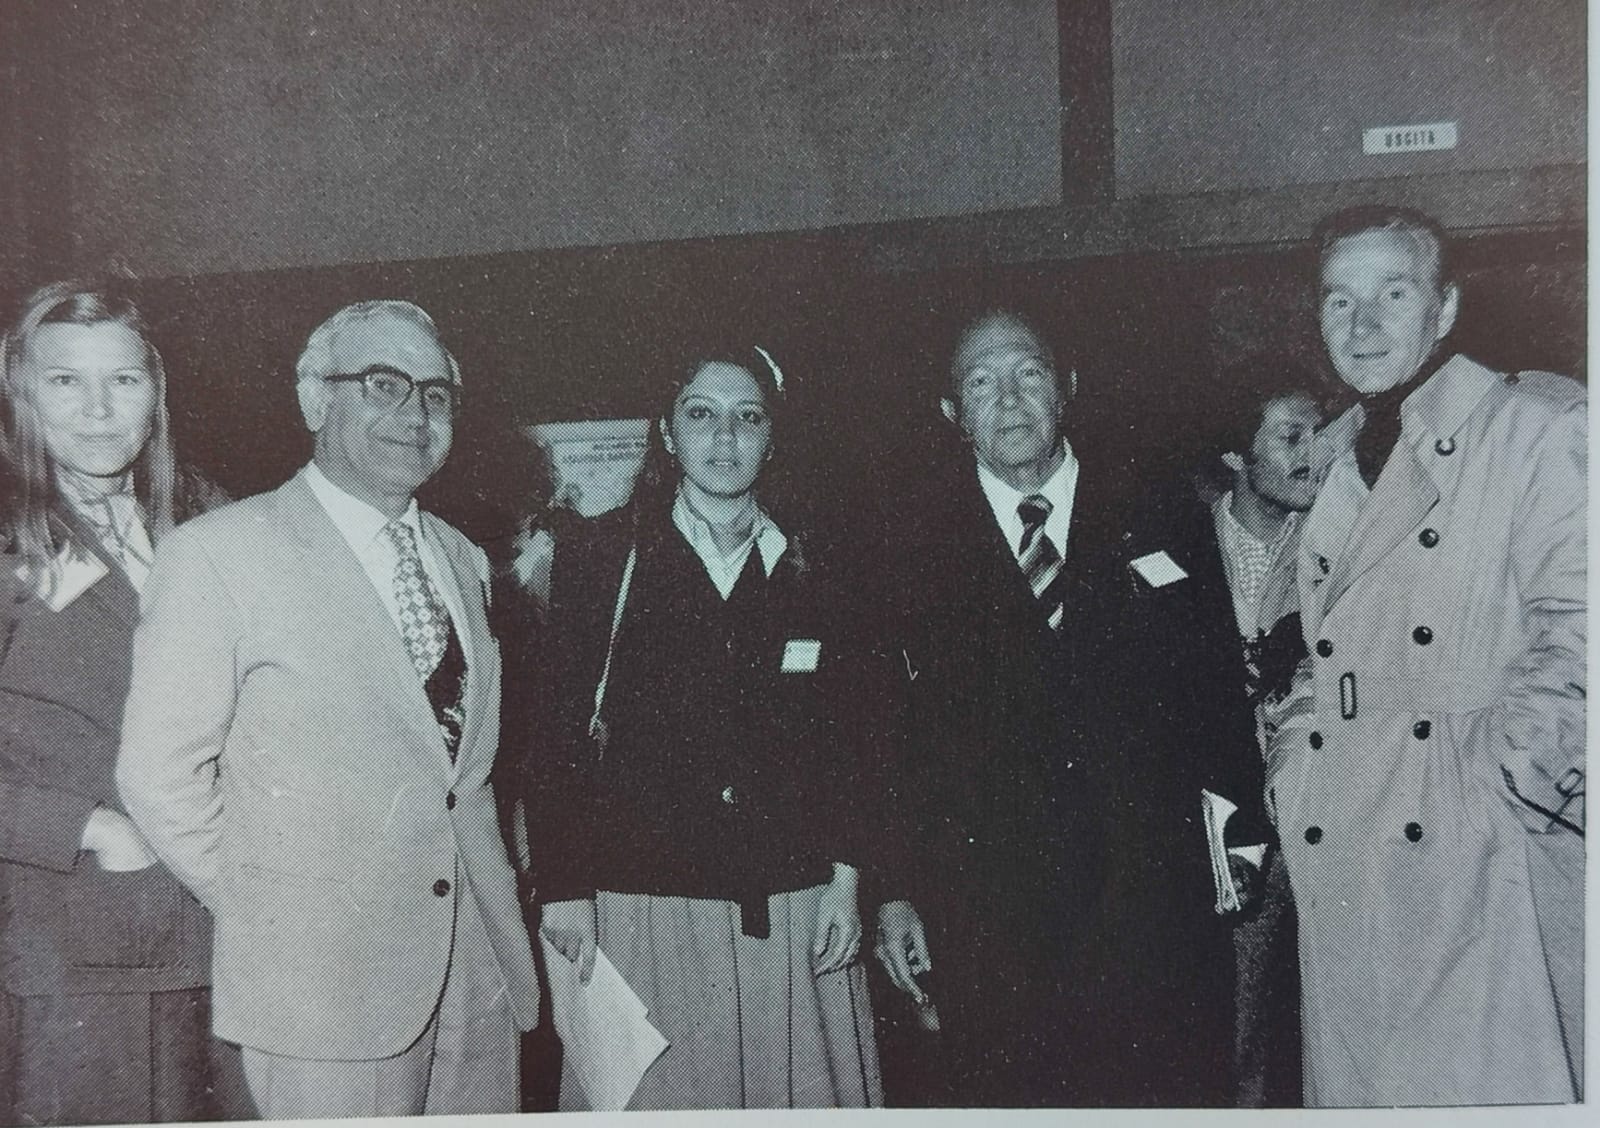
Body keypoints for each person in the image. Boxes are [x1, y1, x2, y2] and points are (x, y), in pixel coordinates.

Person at [116, 300, 539, 1119]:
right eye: (384, 384)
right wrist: (277, 911)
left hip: (477, 972)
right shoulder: (219, 554)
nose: (415, 414)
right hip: (324, 987)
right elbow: (158, 777)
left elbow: (460, 773)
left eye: (436, 394)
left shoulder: (464, 558)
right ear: (315, 400)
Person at [872, 309, 1268, 1106]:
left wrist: (1240, 854)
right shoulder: (907, 545)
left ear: (1068, 387)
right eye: (981, 383)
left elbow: (1218, 691)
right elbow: (891, 736)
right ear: (953, 414)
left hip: (1153, 901)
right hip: (990, 913)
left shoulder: (1162, 510)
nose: (1009, 399)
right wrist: (894, 887)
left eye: (1028, 374)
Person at [1268, 205, 1585, 1105]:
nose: (1362, 325)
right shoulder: (1337, 454)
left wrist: (1492, 790)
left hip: (1480, 868)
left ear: (1443, 309)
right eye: (1340, 301)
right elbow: (1319, 652)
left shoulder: (1535, 425)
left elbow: (1584, 634)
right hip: (1351, 859)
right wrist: (1296, 762)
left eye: (1392, 294)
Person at [524, 342, 886, 1110]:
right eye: (702, 415)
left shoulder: (818, 563)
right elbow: (556, 735)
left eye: (747, 418)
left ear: (771, 436)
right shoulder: (601, 553)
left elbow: (856, 737)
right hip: (647, 905)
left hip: (794, 905)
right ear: (667, 431)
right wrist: (564, 891)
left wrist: (849, 880)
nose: (725, 439)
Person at [0, 281, 245, 1125]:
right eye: (66, 381)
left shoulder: (210, 522)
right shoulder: (7, 537)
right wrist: (85, 828)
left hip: (230, 934)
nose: (99, 411)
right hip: (79, 951)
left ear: (157, 394)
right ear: (21, 392)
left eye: (125, 380)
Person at [1205, 364, 1328, 1106]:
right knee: (1235, 1028)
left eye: (1320, 432)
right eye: (1292, 435)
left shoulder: (1340, 538)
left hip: (1320, 815)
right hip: (1228, 836)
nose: (1315, 451)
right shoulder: (1181, 541)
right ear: (1236, 456)